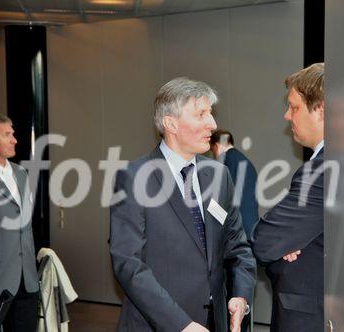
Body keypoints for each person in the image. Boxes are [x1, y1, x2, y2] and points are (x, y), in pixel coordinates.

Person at [110, 77, 256, 332]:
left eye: (210, 114)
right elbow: (127, 263)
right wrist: (181, 324)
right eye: (201, 114)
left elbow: (239, 248)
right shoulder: (134, 177)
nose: (212, 123)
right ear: (171, 123)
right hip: (158, 325)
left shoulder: (219, 176)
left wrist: (241, 296)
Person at [251, 63, 325, 331]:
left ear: (321, 110)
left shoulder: (323, 170)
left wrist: (283, 246)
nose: (286, 116)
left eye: (294, 107)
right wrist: (288, 242)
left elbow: (263, 241)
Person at [0, 112, 39, 331]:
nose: (14, 139)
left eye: (13, 133)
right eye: (7, 135)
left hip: (27, 280)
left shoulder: (22, 173)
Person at [210, 130, 259, 332]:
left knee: (230, 299)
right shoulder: (247, 163)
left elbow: (219, 204)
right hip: (249, 236)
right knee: (241, 295)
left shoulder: (223, 163)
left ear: (215, 145)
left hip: (231, 237)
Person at [210, 130, 259, 238]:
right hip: (250, 224)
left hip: (237, 228)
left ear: (216, 145)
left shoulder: (226, 161)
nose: (213, 155)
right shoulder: (242, 159)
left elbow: (222, 197)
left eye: (212, 150)